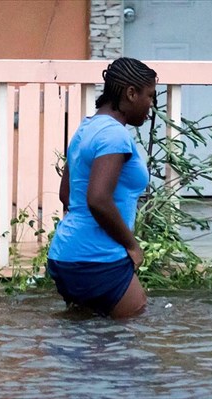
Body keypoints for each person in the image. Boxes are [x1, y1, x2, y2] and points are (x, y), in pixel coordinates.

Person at [47, 57, 157, 319]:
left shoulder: (86, 128)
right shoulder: (114, 135)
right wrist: (132, 245)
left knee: (86, 340)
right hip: (98, 258)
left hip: (65, 256)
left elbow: (67, 196)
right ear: (131, 93)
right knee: (131, 334)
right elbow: (98, 199)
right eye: (149, 96)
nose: (151, 105)